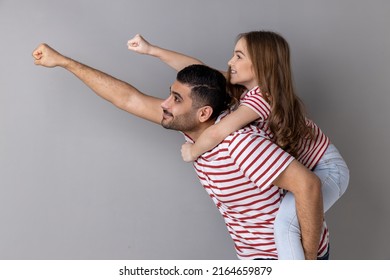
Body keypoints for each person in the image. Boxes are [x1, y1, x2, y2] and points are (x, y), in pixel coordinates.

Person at [32, 43, 328, 260]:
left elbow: (309, 185)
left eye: (175, 99)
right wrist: (63, 62)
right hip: (254, 257)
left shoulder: (240, 143)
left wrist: (309, 263)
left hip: (286, 258)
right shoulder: (195, 125)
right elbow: (128, 98)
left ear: (204, 113)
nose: (164, 104)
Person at [127, 31, 349, 259]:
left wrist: (193, 151)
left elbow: (220, 130)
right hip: (315, 166)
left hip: (329, 169)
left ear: (262, 65)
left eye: (239, 56)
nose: (230, 62)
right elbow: (198, 70)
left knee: (284, 225)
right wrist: (151, 50)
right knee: (287, 221)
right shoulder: (247, 91)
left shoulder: (262, 98)